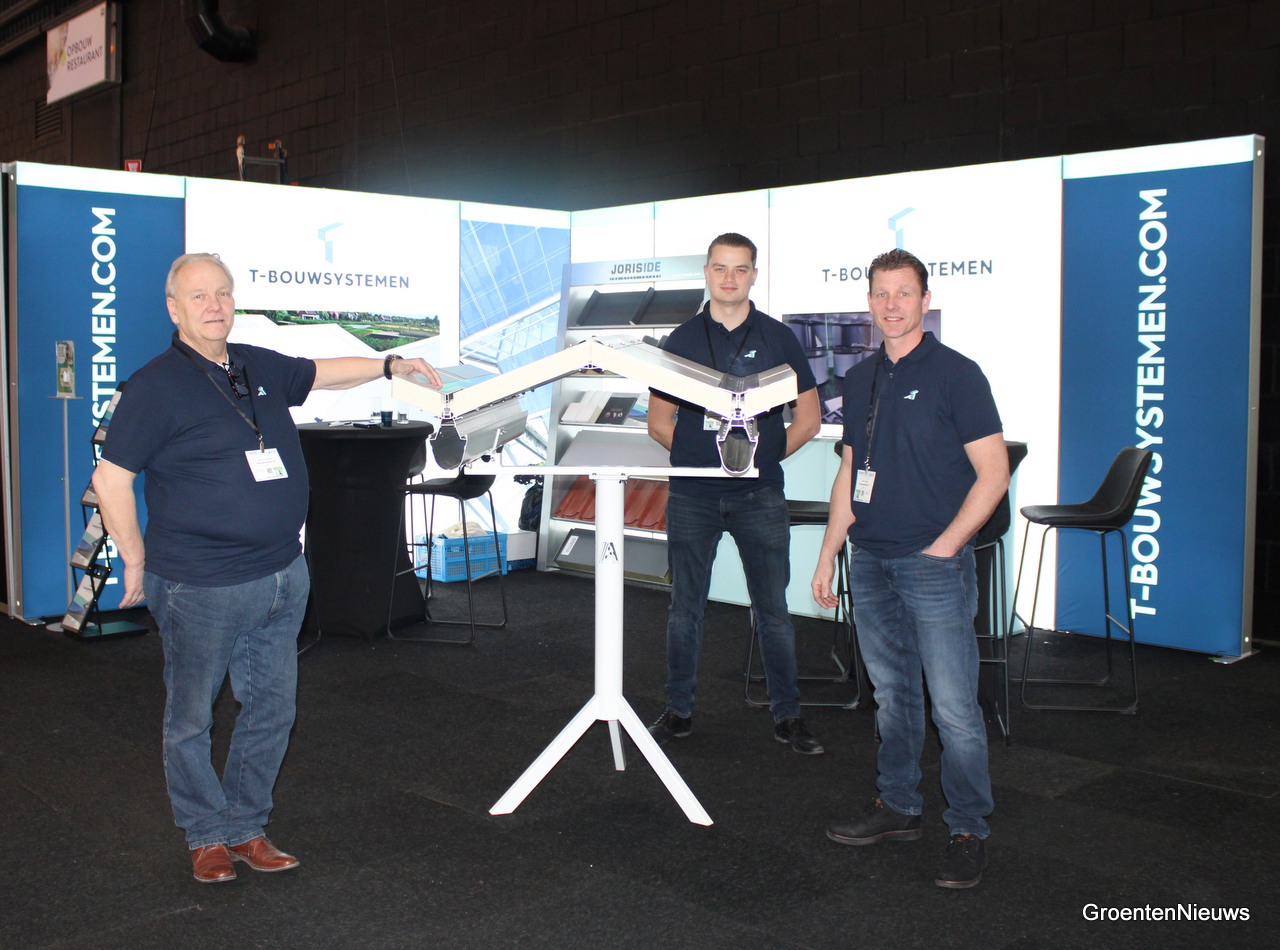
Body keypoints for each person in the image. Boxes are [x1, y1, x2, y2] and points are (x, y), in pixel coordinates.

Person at [92, 252, 441, 883]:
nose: (214, 305)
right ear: (174, 309)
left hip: (282, 574)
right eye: (199, 296)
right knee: (191, 719)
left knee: (271, 711)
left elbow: (322, 374)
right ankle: (205, 835)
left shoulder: (255, 363)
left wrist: (390, 364)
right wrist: (135, 560)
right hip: (199, 583)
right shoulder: (153, 386)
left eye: (223, 293)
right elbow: (110, 479)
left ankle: (246, 826)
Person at [811, 248, 1008, 888]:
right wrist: (830, 552)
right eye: (880, 293)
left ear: (925, 300)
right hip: (870, 561)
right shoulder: (860, 379)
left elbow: (994, 474)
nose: (891, 304)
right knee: (893, 697)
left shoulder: (958, 375)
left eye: (903, 293)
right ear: (868, 301)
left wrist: (947, 547)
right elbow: (851, 471)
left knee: (953, 707)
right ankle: (898, 804)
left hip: (931, 565)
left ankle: (968, 827)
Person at [647, 232, 824, 754]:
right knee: (684, 610)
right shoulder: (680, 341)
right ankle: (679, 711)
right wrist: (705, 463)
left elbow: (809, 419)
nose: (730, 278)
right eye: (720, 268)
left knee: (773, 611)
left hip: (759, 495)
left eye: (740, 268)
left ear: (754, 275)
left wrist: (758, 462)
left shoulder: (778, 338)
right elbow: (659, 423)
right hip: (692, 497)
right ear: (706, 272)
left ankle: (788, 716)